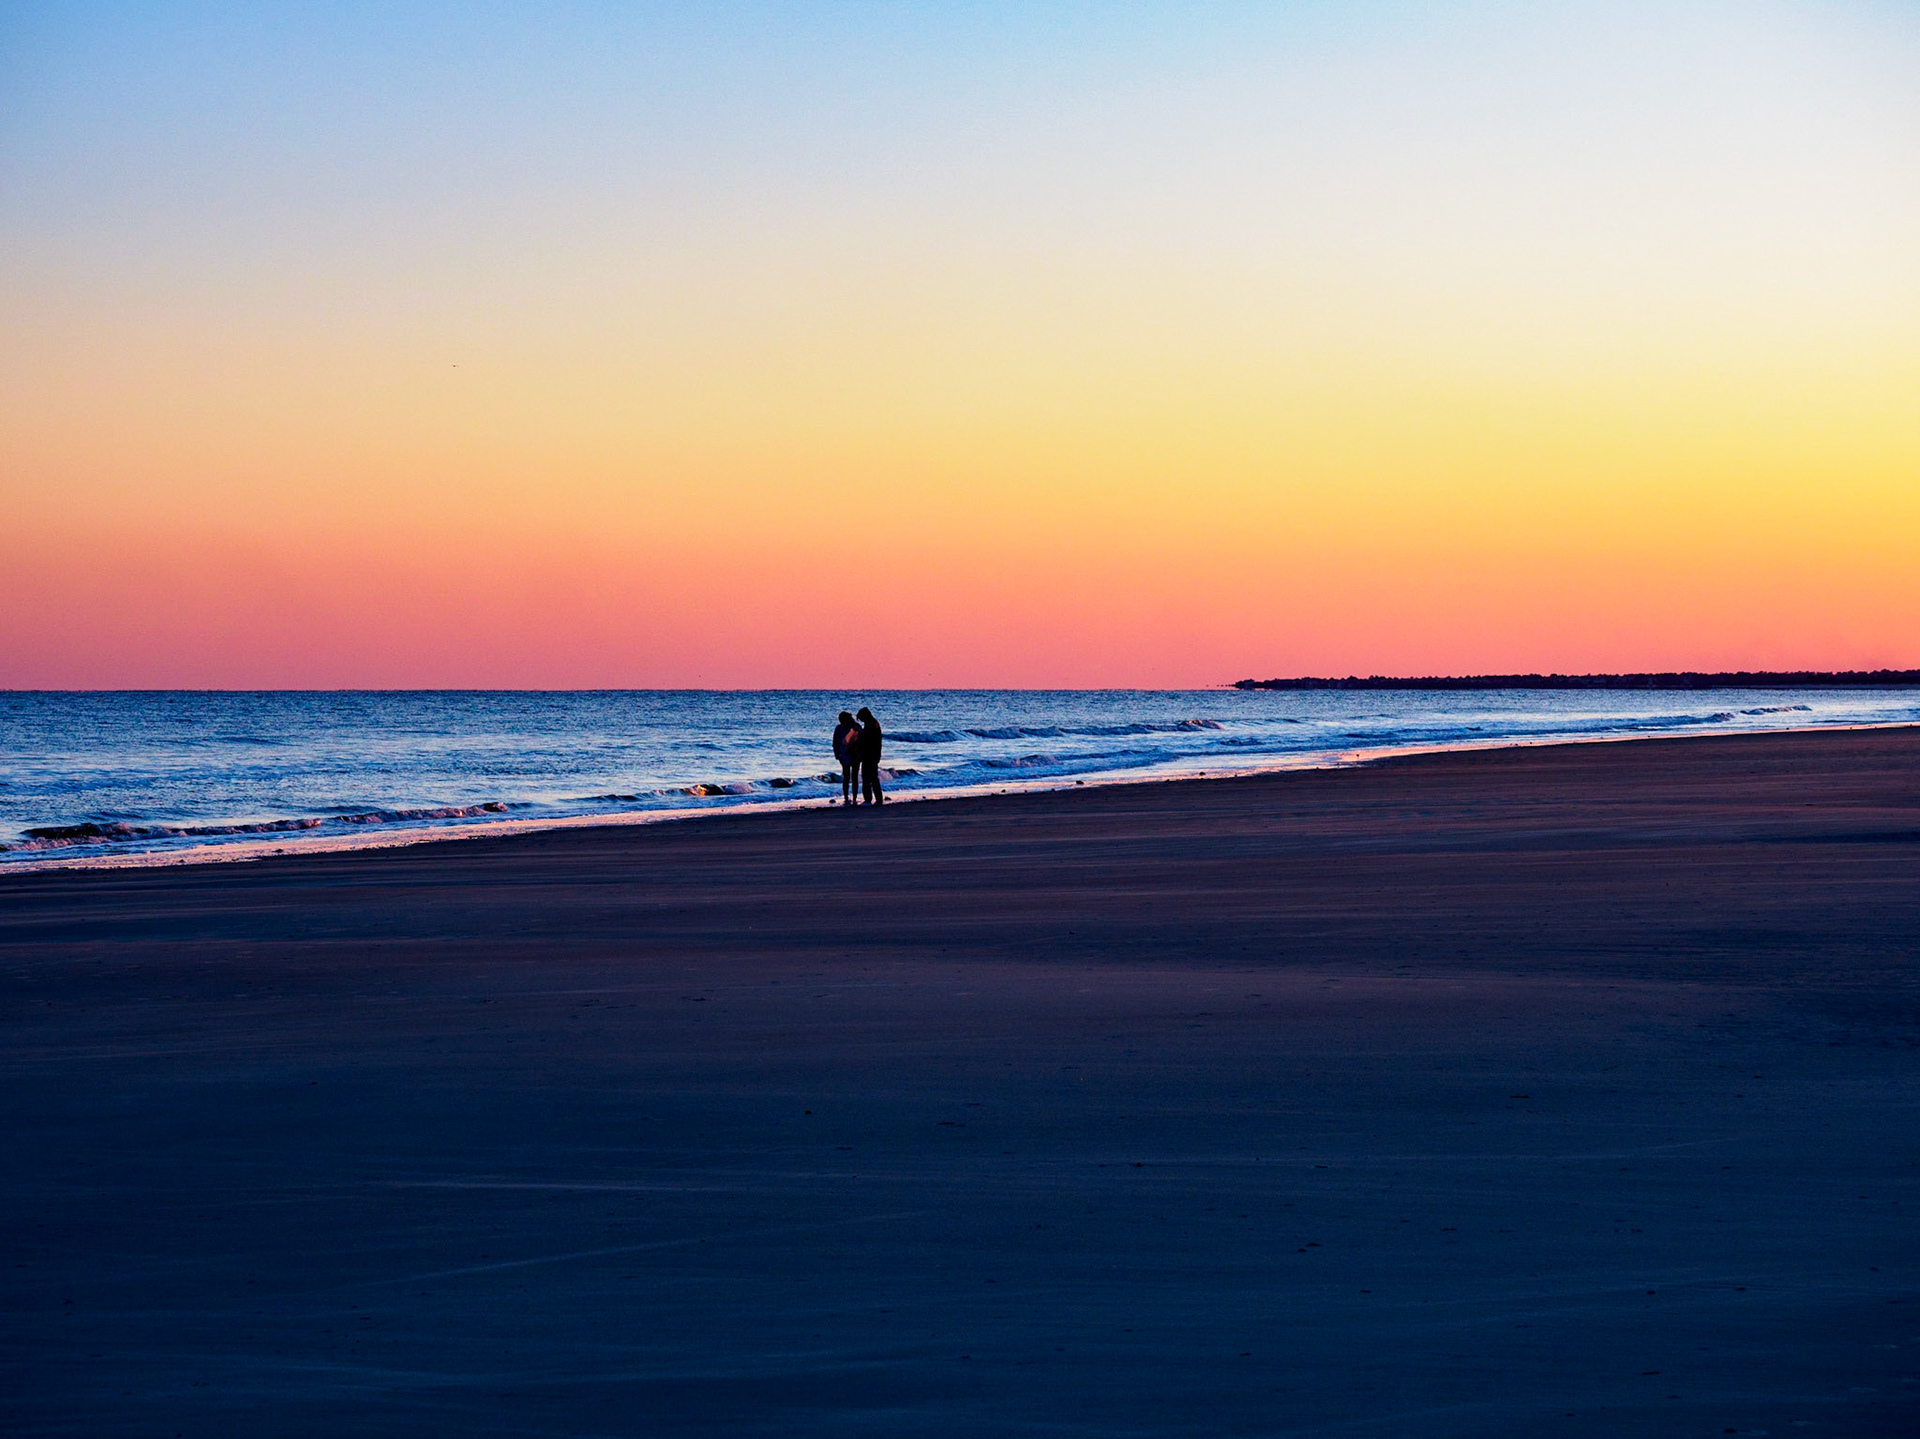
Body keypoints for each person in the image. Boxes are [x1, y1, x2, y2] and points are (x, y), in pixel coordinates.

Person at [832, 711, 861, 805]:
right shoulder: (839, 728)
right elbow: (835, 743)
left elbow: (861, 740)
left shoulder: (855, 727)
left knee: (853, 777)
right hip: (845, 755)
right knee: (847, 777)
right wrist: (838, 755)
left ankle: (854, 797)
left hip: (855, 754)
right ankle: (847, 797)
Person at [857, 706, 884, 805]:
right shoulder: (874, 723)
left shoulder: (870, 725)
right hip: (874, 754)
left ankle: (868, 799)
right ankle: (878, 798)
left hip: (869, 754)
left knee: (867, 777)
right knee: (873, 777)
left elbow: (867, 740)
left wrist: (860, 734)